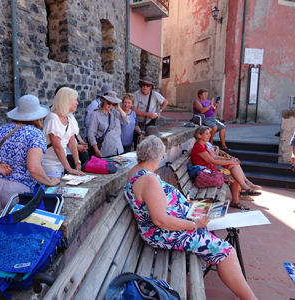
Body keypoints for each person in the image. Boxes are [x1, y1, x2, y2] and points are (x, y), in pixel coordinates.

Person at [124, 136, 257, 300]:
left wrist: (192, 209)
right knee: (227, 252)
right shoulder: (149, 180)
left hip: (168, 226)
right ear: (159, 156)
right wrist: (194, 225)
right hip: (164, 232)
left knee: (215, 235)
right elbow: (160, 220)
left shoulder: (136, 172)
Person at [0, 95, 60, 217]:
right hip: (19, 188)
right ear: (38, 115)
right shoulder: (35, 134)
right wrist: (49, 182)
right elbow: (34, 168)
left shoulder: (3, 129)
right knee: (17, 227)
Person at [191, 126, 261, 210]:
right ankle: (238, 198)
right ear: (199, 136)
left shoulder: (203, 145)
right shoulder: (198, 147)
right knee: (234, 176)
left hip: (211, 168)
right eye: (207, 134)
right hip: (206, 172)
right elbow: (212, 161)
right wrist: (230, 161)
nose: (209, 135)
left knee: (235, 165)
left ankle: (244, 187)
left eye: (209, 133)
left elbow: (215, 157)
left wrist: (231, 159)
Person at [42, 87, 85, 178]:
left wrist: (77, 163)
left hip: (59, 167)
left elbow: (72, 144)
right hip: (50, 167)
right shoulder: (53, 117)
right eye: (74, 100)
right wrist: (69, 169)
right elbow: (57, 146)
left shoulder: (68, 118)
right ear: (66, 100)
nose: (77, 103)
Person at [88, 90, 130, 158]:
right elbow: (91, 134)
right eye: (109, 103)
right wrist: (96, 150)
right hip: (105, 151)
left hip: (118, 150)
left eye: (113, 104)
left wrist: (119, 108)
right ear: (103, 100)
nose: (110, 105)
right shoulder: (95, 114)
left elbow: (126, 121)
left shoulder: (115, 112)